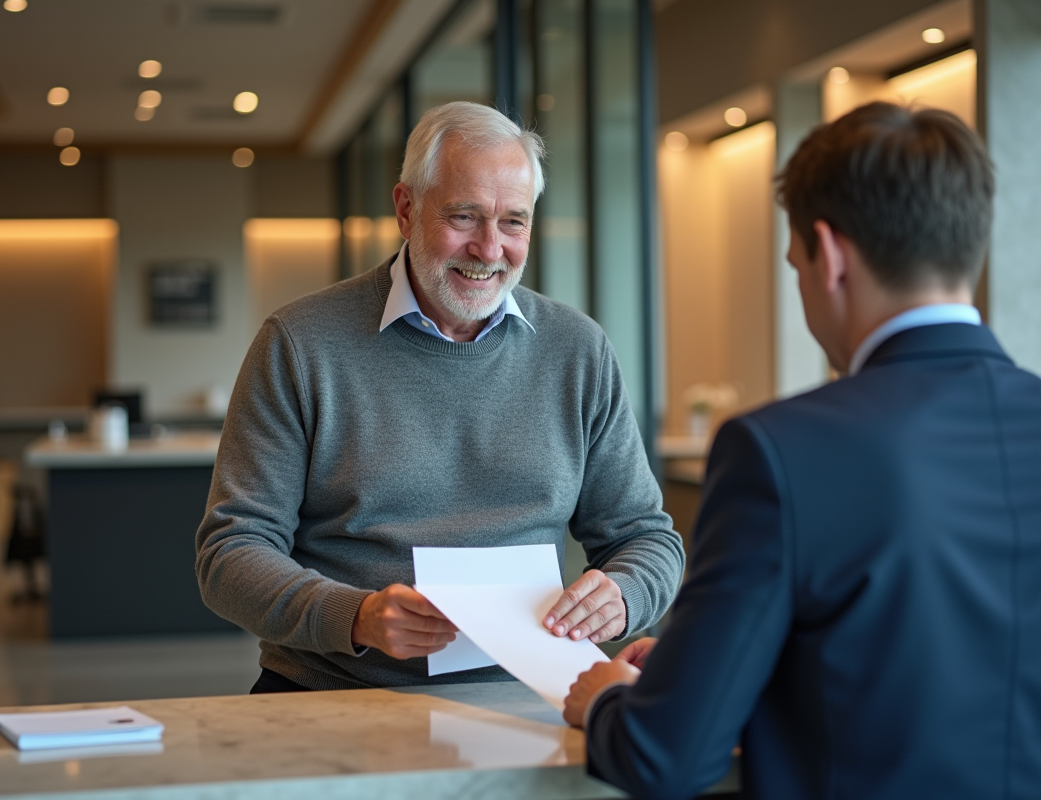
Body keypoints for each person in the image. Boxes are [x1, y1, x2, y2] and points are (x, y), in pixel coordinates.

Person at [564, 101, 1041, 799]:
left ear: (832, 255)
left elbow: (666, 758)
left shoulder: (780, 451)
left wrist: (606, 698)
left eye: (795, 265)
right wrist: (712, 665)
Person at [196, 101, 685, 693]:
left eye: (513, 221)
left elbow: (647, 538)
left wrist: (625, 595)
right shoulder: (299, 344)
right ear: (406, 209)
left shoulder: (577, 348)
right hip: (337, 692)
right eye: (464, 216)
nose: (488, 249)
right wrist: (354, 617)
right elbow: (229, 553)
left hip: (537, 694)